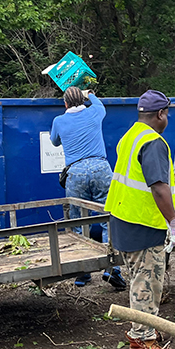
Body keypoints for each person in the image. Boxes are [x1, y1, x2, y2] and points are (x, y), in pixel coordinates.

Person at [105, 90, 175, 349]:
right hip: (142, 223)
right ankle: (143, 341)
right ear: (160, 114)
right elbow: (159, 188)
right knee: (146, 283)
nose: (167, 119)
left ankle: (144, 330)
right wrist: (173, 222)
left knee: (139, 280)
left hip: (123, 218)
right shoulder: (153, 142)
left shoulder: (129, 136)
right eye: (167, 114)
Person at [49, 86, 126, 290]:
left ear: (65, 103)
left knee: (78, 221)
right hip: (101, 168)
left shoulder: (59, 121)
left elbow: (54, 141)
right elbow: (98, 102)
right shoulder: (95, 112)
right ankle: (112, 268)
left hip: (76, 172)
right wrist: (89, 93)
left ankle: (82, 272)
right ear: (83, 100)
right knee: (108, 217)